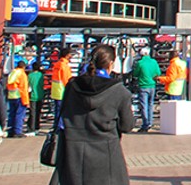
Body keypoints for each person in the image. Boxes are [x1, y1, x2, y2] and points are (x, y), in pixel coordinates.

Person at [55, 44, 134, 185]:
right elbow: (126, 126)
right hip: (107, 152)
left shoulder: (72, 86)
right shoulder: (119, 91)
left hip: (73, 152)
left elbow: (63, 114)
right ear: (111, 64)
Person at [130, 45, 160, 133]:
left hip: (143, 85)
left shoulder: (140, 63)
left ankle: (145, 124)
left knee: (144, 106)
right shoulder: (154, 62)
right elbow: (158, 73)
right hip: (152, 85)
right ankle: (150, 122)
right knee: (150, 104)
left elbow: (135, 74)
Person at [3, 56, 29, 137]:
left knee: (12, 114)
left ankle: (10, 130)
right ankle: (17, 131)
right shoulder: (22, 74)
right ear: (23, 67)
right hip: (20, 96)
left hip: (11, 96)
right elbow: (24, 88)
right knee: (19, 114)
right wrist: (26, 101)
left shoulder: (12, 73)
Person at [51, 46, 77, 118]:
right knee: (62, 113)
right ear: (67, 55)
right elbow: (66, 80)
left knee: (57, 112)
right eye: (70, 54)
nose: (71, 56)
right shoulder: (64, 66)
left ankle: (56, 125)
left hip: (56, 91)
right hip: (62, 91)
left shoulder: (57, 64)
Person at [26, 61, 45, 135]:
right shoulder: (41, 75)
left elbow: (28, 85)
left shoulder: (30, 75)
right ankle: (37, 126)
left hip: (32, 96)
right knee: (38, 112)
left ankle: (31, 128)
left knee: (32, 113)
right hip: (40, 94)